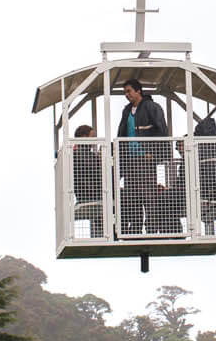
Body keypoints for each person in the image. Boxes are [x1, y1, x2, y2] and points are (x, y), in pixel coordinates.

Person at [116, 79, 168, 235]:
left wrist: (154, 154)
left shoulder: (151, 107)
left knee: (148, 195)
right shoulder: (127, 111)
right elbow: (121, 133)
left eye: (129, 91)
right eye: (125, 92)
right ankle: (135, 229)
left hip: (145, 159)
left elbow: (162, 131)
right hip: (130, 160)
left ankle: (151, 228)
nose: (127, 95)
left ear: (138, 91)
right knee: (132, 196)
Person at [70, 124, 104, 236]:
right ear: (84, 137)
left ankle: (112, 230)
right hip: (90, 194)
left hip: (90, 192)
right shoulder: (78, 154)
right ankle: (121, 231)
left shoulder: (81, 154)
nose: (95, 140)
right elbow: (93, 169)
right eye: (92, 136)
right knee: (123, 195)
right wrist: (101, 159)